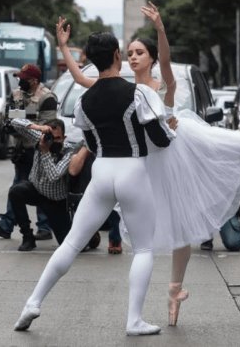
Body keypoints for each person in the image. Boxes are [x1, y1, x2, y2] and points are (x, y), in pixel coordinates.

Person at [56, 2, 240, 328]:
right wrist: (64, 45)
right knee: (149, 233)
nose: (134, 57)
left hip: (172, 155)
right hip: (140, 163)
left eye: (139, 52)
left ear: (149, 58)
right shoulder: (121, 86)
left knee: (181, 226)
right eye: (130, 52)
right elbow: (81, 78)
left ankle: (174, 290)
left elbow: (165, 60)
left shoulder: (159, 85)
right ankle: (148, 300)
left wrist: (161, 28)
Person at [13, 31, 175, 336]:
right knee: (143, 249)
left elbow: (89, 141)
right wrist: (172, 129)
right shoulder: (139, 94)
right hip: (132, 170)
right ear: (117, 55)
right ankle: (134, 320)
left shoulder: (84, 101)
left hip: (101, 171)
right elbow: (160, 140)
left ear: (90, 59)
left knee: (72, 242)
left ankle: (32, 303)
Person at [0, 63, 57, 241]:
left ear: (34, 81)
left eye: (23, 79)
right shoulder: (16, 95)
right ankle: (7, 224)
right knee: (17, 187)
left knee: (41, 187)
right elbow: (10, 122)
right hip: (21, 149)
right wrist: (20, 124)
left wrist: (22, 123)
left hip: (39, 149)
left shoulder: (47, 97)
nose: (20, 82)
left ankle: (43, 227)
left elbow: (48, 128)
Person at [8, 118, 75, 251]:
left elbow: (53, 176)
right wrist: (38, 128)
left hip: (55, 201)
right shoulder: (41, 138)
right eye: (51, 137)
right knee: (15, 191)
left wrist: (45, 152)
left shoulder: (69, 152)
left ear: (64, 137)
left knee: (68, 244)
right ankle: (27, 237)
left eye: (58, 138)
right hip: (36, 190)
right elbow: (14, 122)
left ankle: (90, 237)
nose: (53, 142)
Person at [68, 142, 122, 254]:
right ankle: (91, 231)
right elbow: (73, 171)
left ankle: (115, 239)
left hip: (108, 189)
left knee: (115, 197)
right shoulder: (81, 145)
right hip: (85, 191)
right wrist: (87, 146)